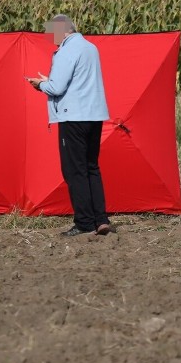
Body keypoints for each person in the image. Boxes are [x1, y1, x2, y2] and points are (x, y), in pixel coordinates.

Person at [25, 14, 112, 236]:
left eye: (51, 31)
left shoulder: (66, 50)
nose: (49, 36)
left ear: (62, 29)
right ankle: (101, 219)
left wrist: (41, 84)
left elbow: (57, 87)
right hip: (94, 115)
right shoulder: (91, 48)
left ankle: (84, 222)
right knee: (92, 167)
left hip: (73, 116)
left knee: (75, 171)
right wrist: (50, 82)